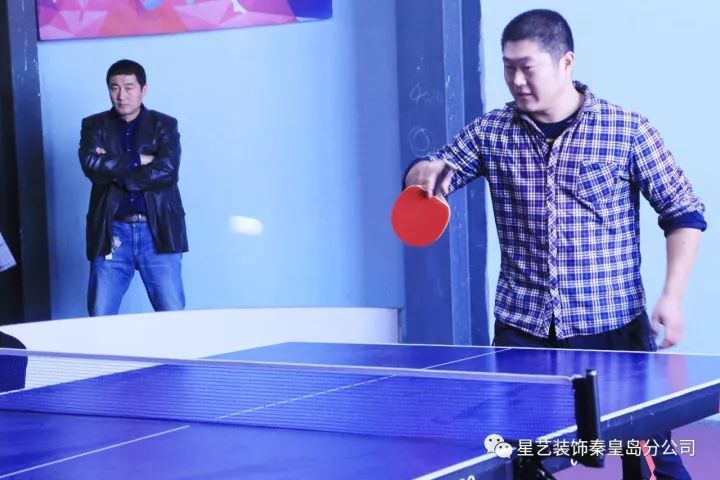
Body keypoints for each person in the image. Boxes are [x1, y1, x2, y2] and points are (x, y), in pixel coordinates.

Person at [404, 9, 705, 480]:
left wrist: (673, 295)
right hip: (522, 331)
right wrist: (421, 172)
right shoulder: (490, 132)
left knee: (653, 463)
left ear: (566, 62)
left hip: (613, 330)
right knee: (515, 460)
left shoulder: (627, 130)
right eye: (508, 68)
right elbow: (432, 172)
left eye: (528, 67)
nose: (517, 80)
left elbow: (683, 211)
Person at [79, 59, 188, 317]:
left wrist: (115, 170)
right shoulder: (94, 125)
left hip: (157, 230)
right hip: (112, 231)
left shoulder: (164, 125)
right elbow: (91, 166)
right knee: (100, 316)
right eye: (114, 88)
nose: (121, 95)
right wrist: (139, 159)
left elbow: (168, 170)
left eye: (129, 87)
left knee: (173, 316)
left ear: (143, 89)